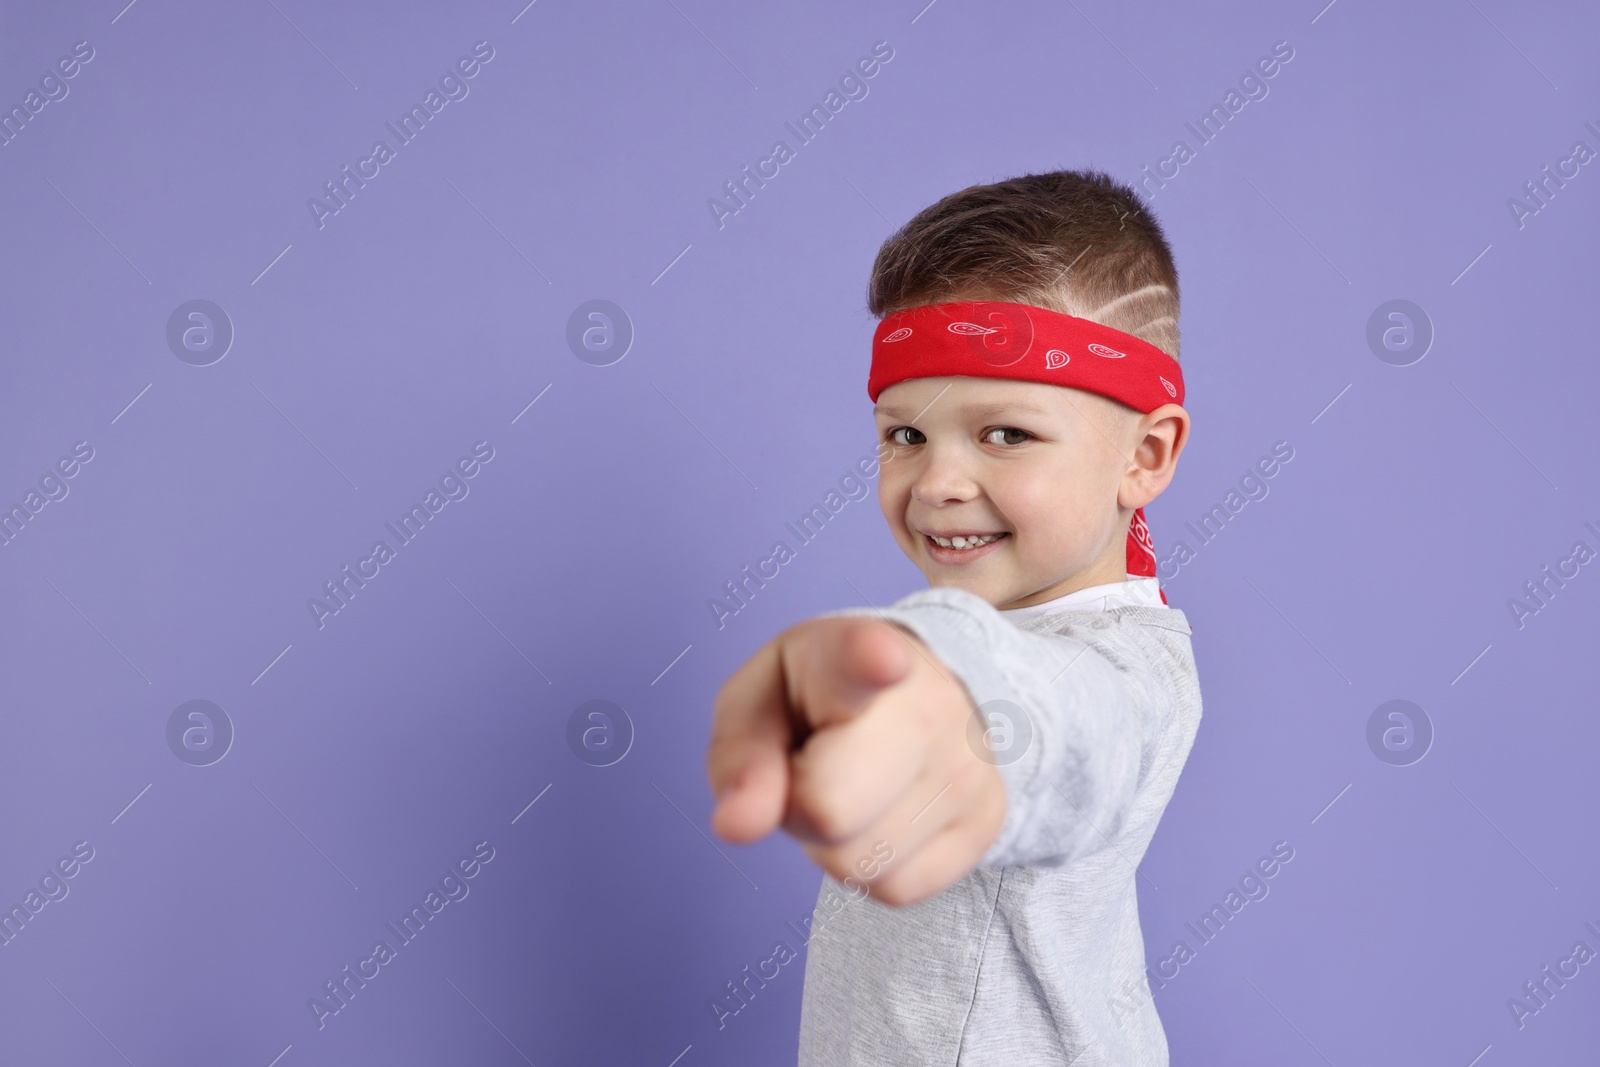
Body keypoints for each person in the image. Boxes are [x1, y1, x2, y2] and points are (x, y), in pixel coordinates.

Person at [705, 169, 1202, 1065]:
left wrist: (933, 668)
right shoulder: (1001, 633)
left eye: (1006, 433)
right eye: (906, 435)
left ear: (1147, 453)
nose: (936, 482)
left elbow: (1063, 722)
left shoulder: (1136, 673)